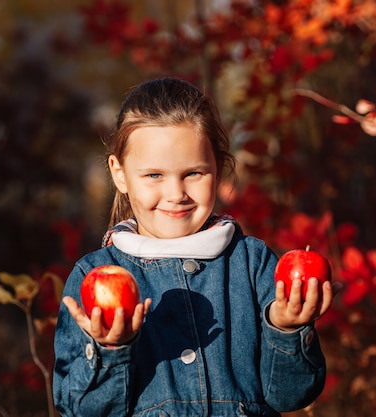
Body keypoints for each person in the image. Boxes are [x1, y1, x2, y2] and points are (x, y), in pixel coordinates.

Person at [53, 77, 336, 417]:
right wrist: (110, 349)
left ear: (217, 169)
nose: (176, 194)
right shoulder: (94, 275)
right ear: (120, 174)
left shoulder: (252, 263)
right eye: (154, 175)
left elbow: (292, 396)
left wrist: (286, 328)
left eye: (193, 173)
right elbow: (79, 410)